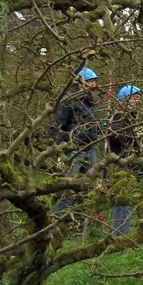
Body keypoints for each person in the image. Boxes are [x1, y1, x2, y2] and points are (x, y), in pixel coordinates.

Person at [52, 67, 101, 214]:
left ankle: (78, 220)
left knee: (86, 186)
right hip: (74, 149)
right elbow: (58, 125)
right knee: (68, 184)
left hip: (90, 148)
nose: (93, 84)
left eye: (93, 81)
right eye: (89, 81)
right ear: (80, 83)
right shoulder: (69, 101)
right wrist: (59, 148)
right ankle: (58, 217)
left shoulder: (94, 102)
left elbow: (94, 124)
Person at [108, 85, 143, 236]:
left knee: (128, 200)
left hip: (132, 162)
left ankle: (124, 232)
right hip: (122, 163)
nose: (138, 100)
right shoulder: (118, 116)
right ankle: (120, 234)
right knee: (123, 200)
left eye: (138, 97)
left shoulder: (133, 117)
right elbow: (115, 136)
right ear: (125, 100)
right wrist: (133, 135)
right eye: (134, 97)